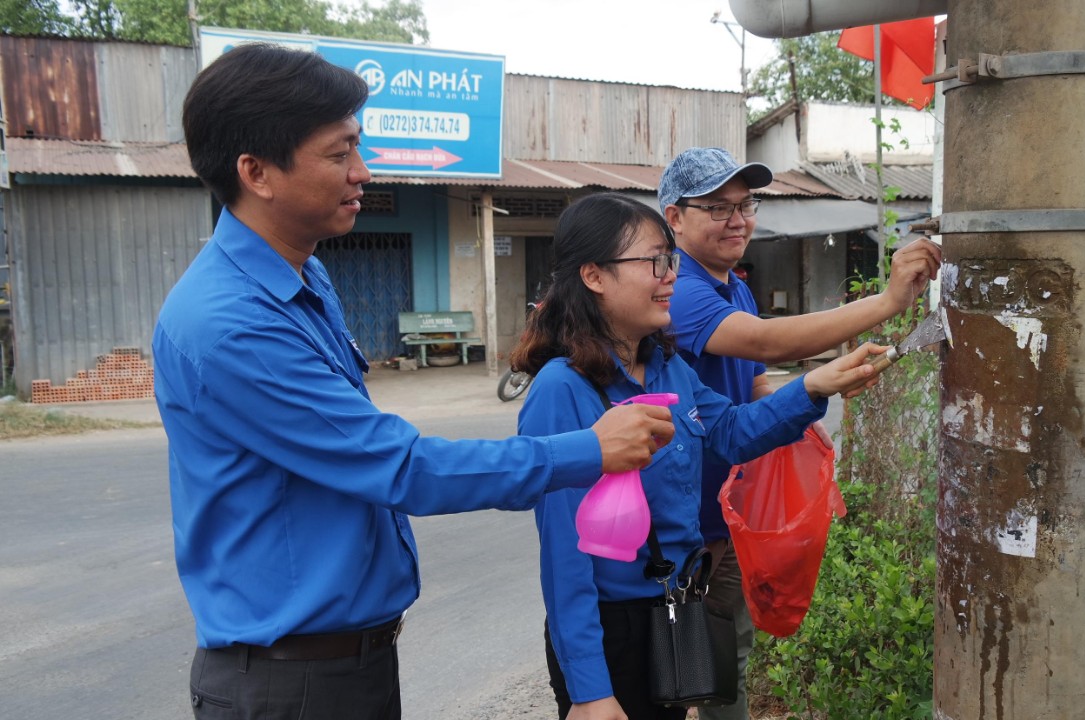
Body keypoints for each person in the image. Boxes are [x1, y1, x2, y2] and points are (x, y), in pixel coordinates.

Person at [154, 44, 674, 720]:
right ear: (256, 172)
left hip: (346, 663)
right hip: (289, 683)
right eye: (338, 154)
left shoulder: (302, 276)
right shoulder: (231, 324)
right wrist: (587, 450)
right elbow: (398, 467)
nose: (361, 172)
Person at [510, 192, 888, 720]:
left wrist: (815, 384)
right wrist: (590, 690)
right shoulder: (563, 390)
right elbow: (564, 559)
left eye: (671, 260)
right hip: (610, 628)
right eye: (655, 262)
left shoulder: (667, 368)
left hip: (675, 607)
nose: (670, 275)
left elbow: (732, 431)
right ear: (594, 276)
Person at [658, 146, 942, 720]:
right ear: (675, 218)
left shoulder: (730, 282)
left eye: (746, 204)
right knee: (689, 666)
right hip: (689, 520)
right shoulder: (679, 289)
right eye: (717, 207)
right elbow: (768, 342)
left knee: (726, 654)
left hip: (730, 506)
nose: (738, 220)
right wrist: (889, 302)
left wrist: (802, 400)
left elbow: (753, 375)